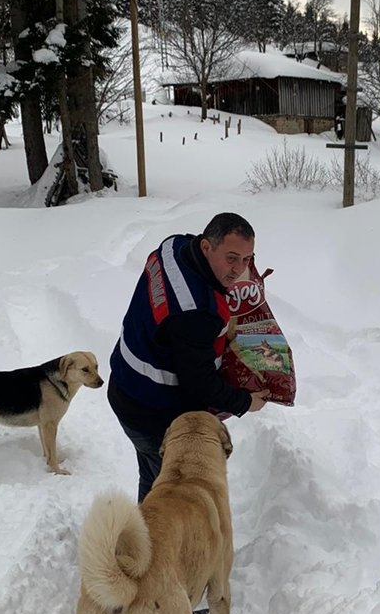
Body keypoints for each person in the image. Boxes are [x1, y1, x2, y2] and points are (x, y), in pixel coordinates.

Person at [108, 211, 269, 504]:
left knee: (154, 479)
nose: (239, 269)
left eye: (247, 259)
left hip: (126, 383)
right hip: (151, 412)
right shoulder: (194, 310)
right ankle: (156, 543)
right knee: (172, 498)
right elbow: (200, 383)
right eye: (232, 258)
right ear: (207, 247)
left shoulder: (175, 246)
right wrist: (247, 402)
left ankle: (146, 533)